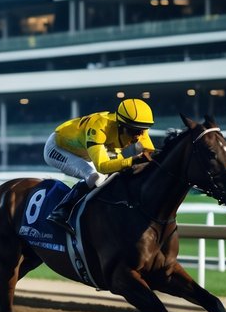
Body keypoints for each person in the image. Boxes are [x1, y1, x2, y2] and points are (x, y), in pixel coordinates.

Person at [44, 98, 157, 232]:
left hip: (86, 149)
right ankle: (60, 212)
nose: (137, 136)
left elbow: (151, 154)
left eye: (142, 131)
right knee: (94, 176)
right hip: (58, 148)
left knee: (118, 175)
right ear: (120, 125)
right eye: (133, 132)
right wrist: (132, 160)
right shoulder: (99, 127)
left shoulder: (137, 126)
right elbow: (102, 166)